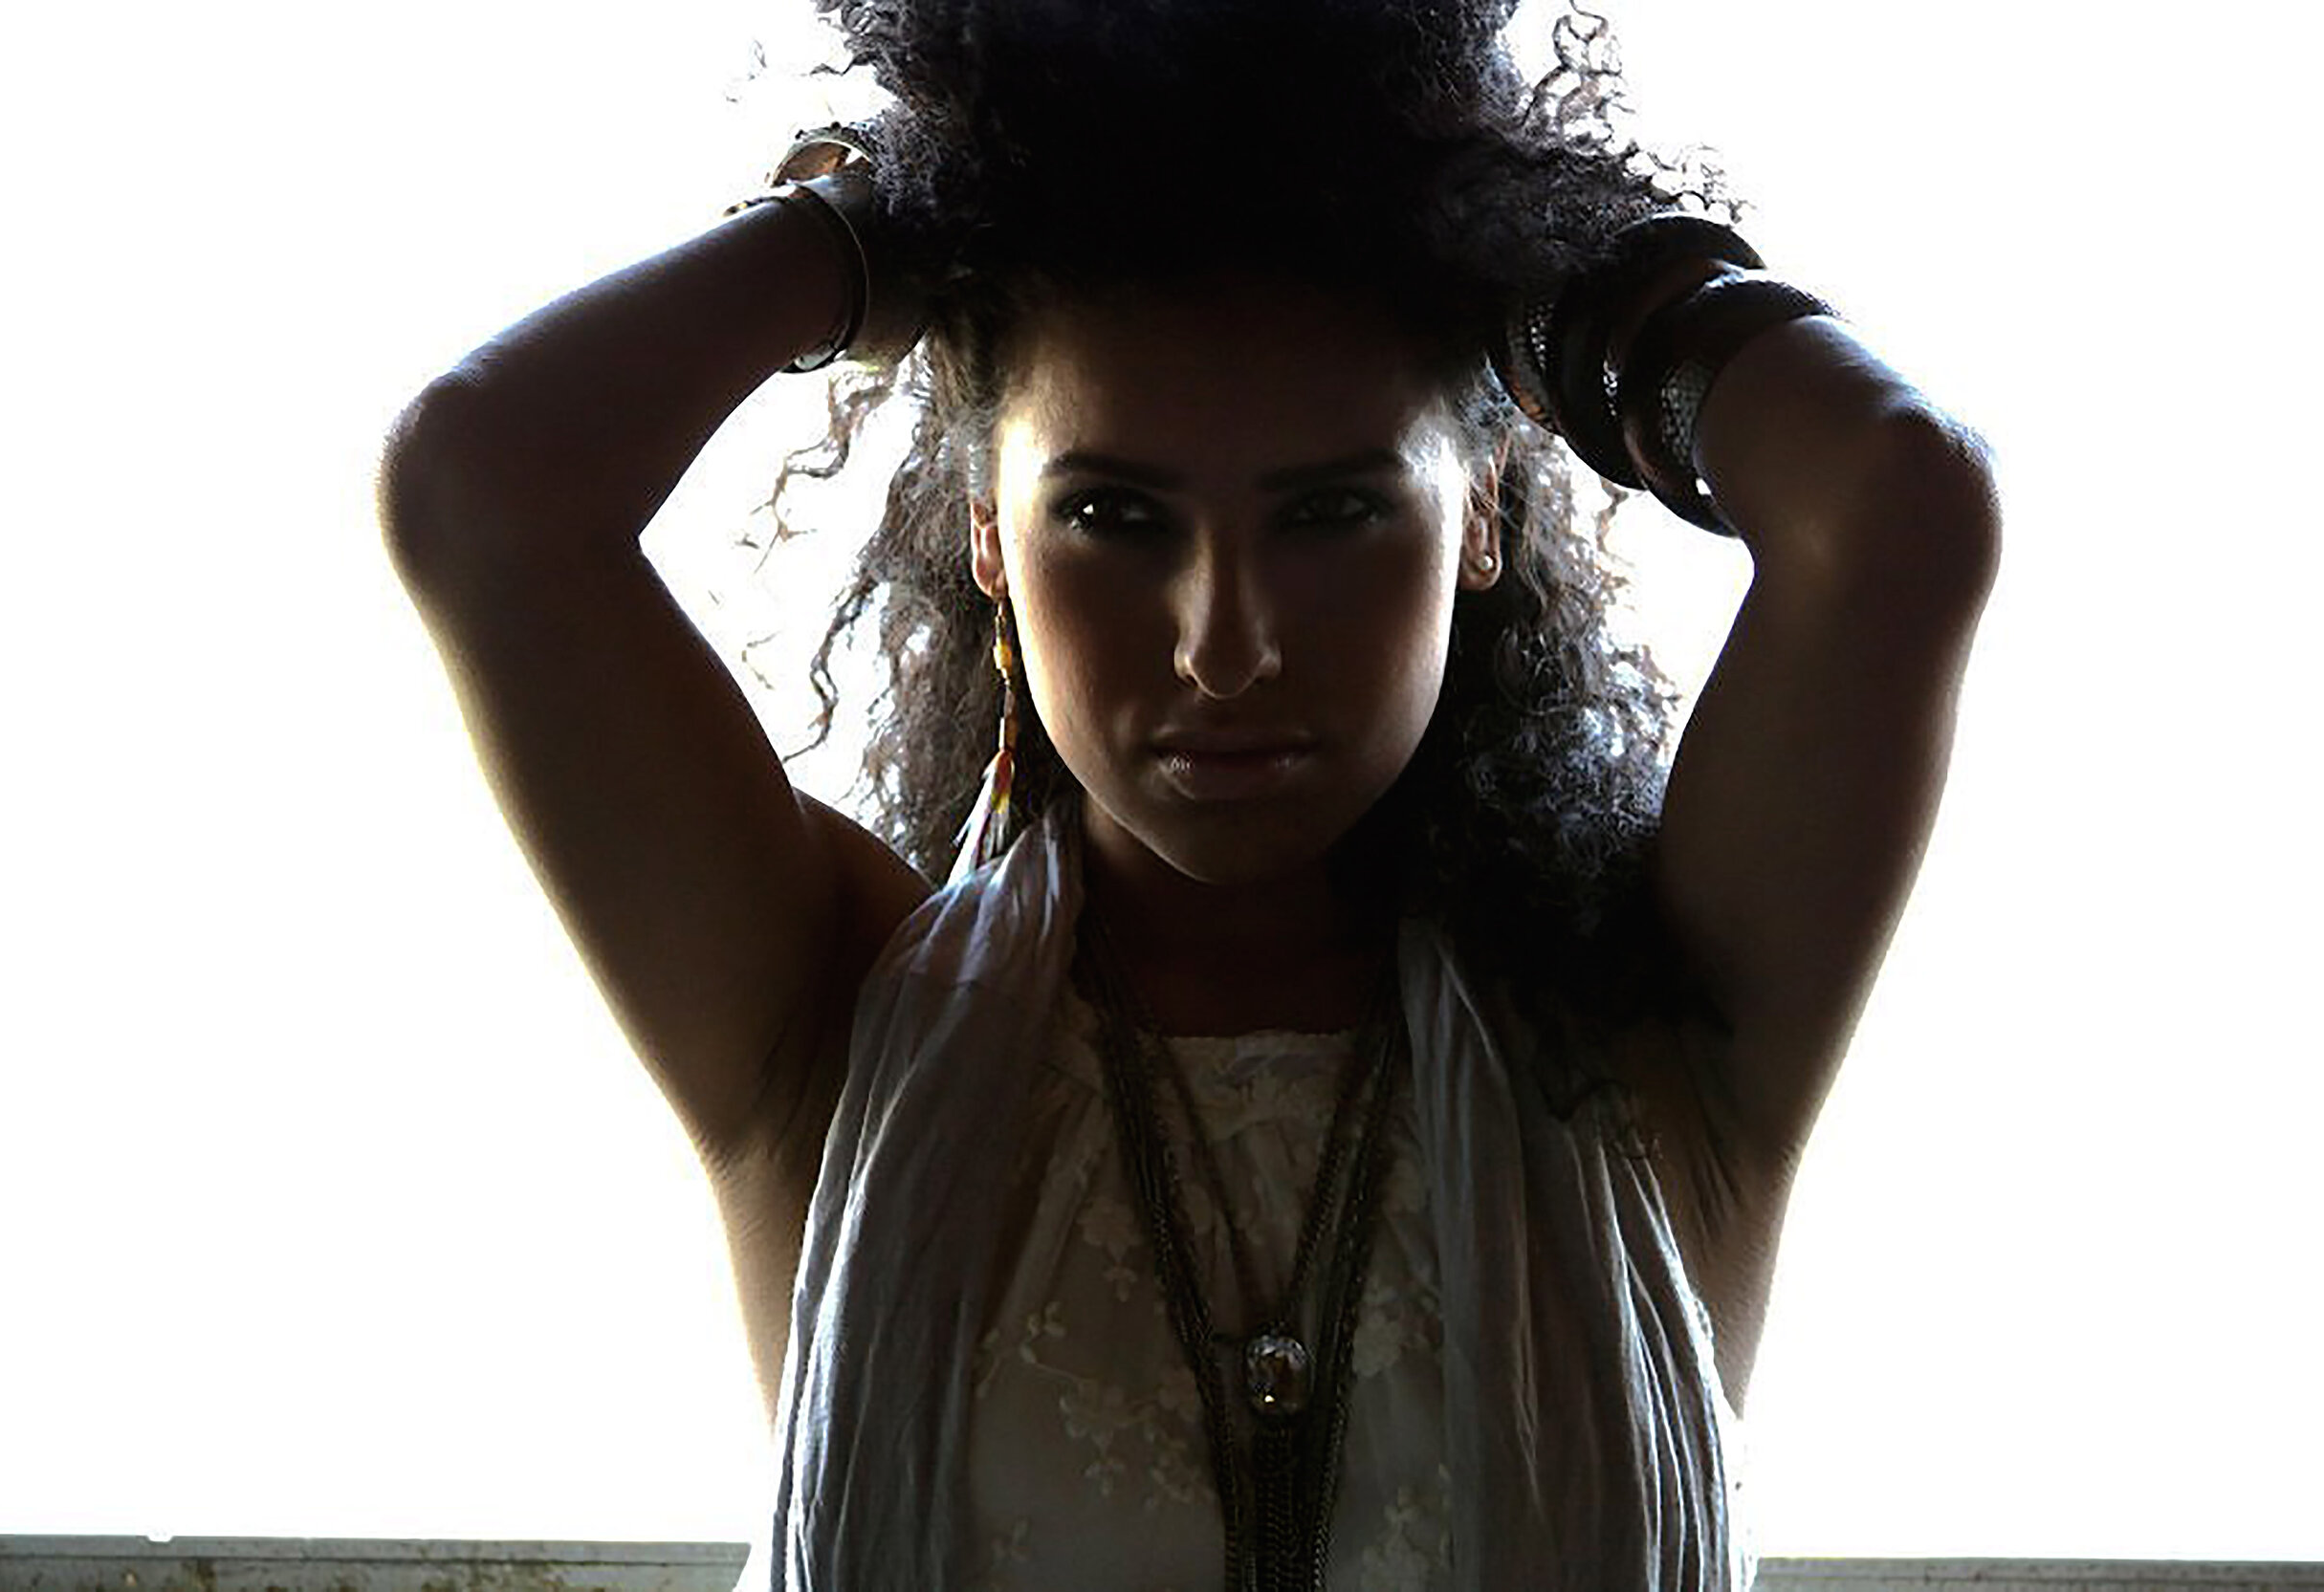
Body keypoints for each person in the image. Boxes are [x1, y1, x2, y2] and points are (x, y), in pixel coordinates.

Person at [376, 0, 1998, 1585]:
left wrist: (1542, 267)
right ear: (989, 532)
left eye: (1332, 512)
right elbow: (482, 481)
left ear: (1484, 514)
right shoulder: (828, 1018)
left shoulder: (1649, 1034)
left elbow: (1897, 494)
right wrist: (908, 215)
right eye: (1117, 516)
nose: (1226, 648)